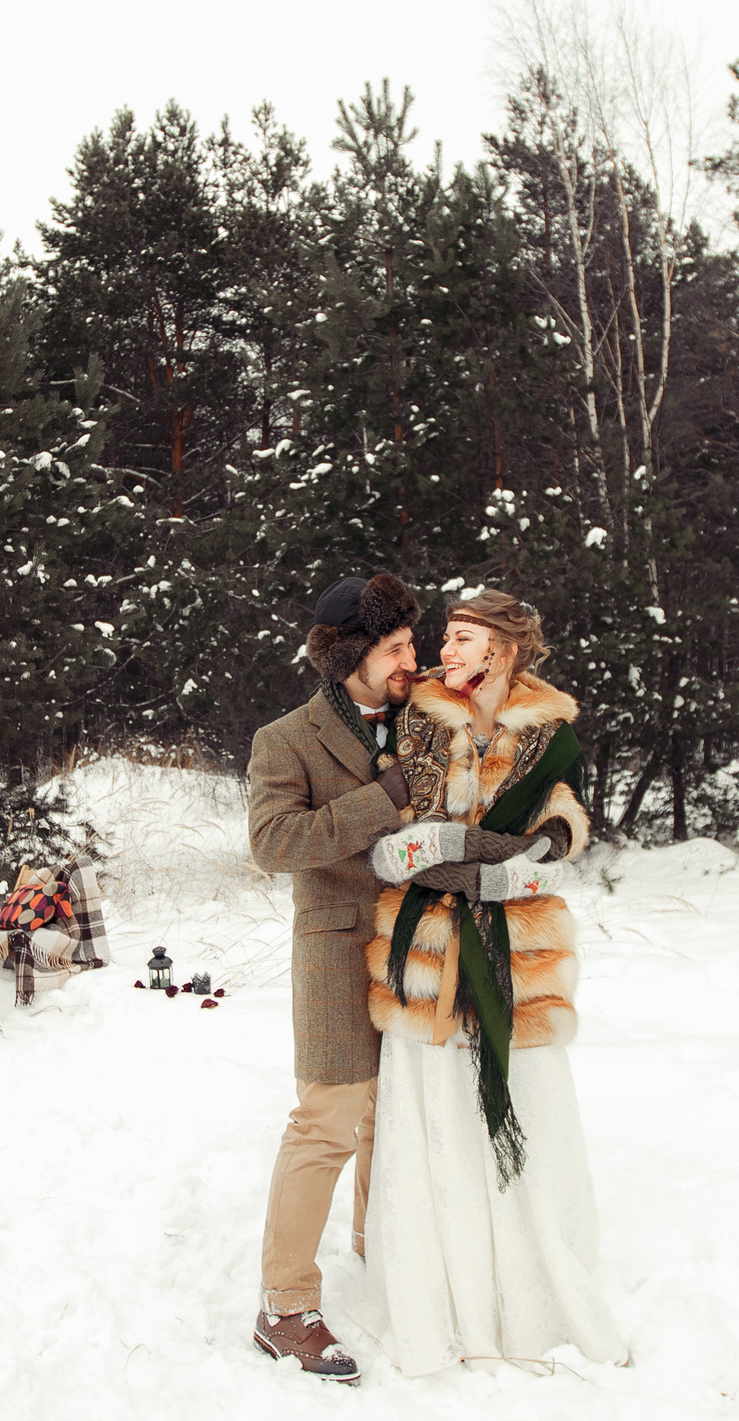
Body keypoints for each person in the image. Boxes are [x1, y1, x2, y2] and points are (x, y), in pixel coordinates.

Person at [244, 573, 564, 1384]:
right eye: (393, 647)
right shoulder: (286, 738)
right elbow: (275, 842)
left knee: (395, 1116)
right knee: (327, 1121)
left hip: (419, 949)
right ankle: (285, 1305)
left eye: (412, 644)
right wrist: (379, 800)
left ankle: (379, 1249)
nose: (410, 659)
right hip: (336, 949)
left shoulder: (423, 711)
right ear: (350, 655)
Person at [355, 588, 623, 1375]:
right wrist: (459, 852)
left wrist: (530, 859)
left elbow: (567, 817)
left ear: (502, 650)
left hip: (517, 948)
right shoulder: (416, 720)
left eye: (464, 637)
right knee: (435, 1108)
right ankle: (442, 1290)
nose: (446, 649)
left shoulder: (550, 729)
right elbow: (392, 838)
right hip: (430, 947)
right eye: (447, 636)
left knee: (524, 1107)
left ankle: (529, 1287)